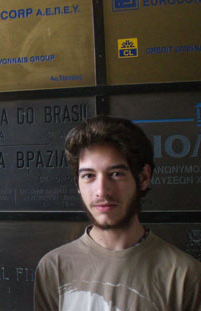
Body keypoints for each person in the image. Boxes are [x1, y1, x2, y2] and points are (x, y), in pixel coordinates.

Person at [34, 115, 201, 311]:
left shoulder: (183, 275)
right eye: (89, 176)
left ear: (144, 177)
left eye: (116, 174)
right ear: (77, 184)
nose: (102, 190)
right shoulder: (53, 269)